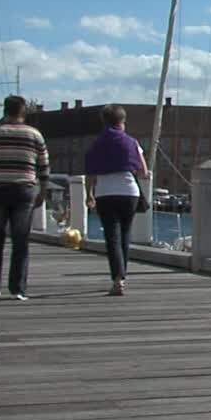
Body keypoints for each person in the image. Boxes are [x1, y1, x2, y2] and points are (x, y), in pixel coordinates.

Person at [0, 95, 50, 301]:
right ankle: (18, 289)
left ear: (4, 110)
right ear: (23, 112)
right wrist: (43, 191)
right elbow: (43, 166)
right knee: (20, 239)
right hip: (25, 190)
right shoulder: (35, 135)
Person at [84, 104, 147, 296]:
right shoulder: (132, 142)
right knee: (125, 236)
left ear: (104, 122)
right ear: (122, 122)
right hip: (129, 193)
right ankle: (122, 277)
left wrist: (89, 194)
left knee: (112, 237)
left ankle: (117, 279)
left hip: (105, 193)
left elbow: (90, 173)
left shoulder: (96, 143)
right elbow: (143, 171)